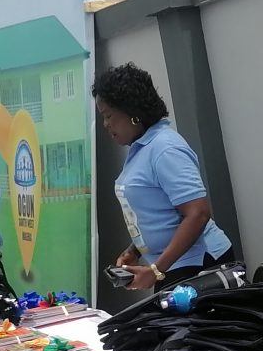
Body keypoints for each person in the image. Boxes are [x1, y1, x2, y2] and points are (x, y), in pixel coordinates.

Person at [92, 63, 235, 291]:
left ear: (132, 112)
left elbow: (198, 214)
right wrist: (136, 250)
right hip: (172, 267)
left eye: (108, 116)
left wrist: (156, 270)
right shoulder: (141, 148)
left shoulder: (165, 148)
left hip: (199, 266)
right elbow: (159, 214)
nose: (106, 125)